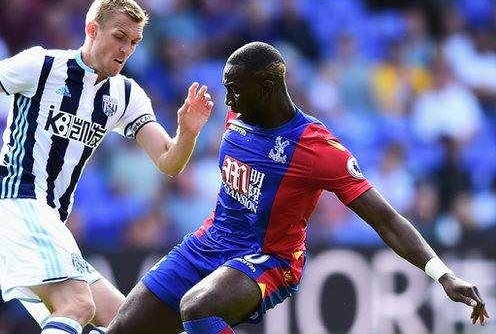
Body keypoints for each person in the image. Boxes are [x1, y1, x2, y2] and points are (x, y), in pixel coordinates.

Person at [0, 0, 213, 334]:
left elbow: (168, 161)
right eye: (119, 37)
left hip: (46, 220)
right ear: (91, 29)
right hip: (13, 202)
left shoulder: (126, 95)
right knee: (78, 303)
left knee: (129, 324)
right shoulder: (43, 66)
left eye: (133, 42)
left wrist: (187, 133)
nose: (126, 50)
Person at [107, 42, 489, 334]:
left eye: (235, 90)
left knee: (199, 307)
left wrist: (442, 273)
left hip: (268, 259)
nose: (229, 100)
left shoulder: (317, 148)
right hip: (207, 243)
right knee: (122, 329)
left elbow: (386, 219)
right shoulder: (238, 115)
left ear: (268, 88)